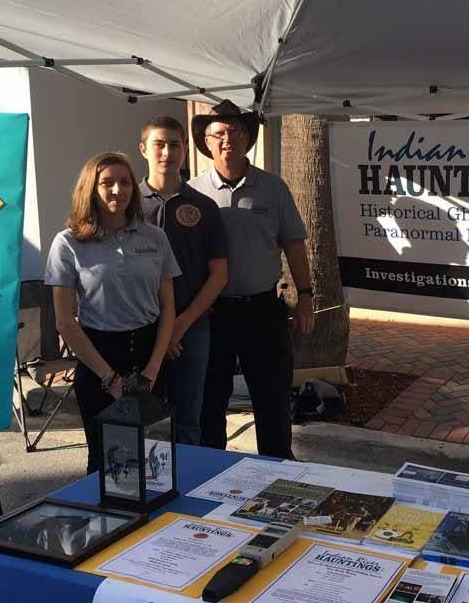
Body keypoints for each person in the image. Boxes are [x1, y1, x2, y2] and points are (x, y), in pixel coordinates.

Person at [189, 100, 315, 459]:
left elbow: (293, 244)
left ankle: (277, 471)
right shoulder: (193, 194)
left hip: (262, 310)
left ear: (248, 138)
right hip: (210, 313)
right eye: (220, 133)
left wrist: (305, 296)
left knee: (272, 396)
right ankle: (208, 467)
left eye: (236, 131)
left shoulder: (273, 189)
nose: (228, 139)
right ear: (208, 141)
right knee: (210, 398)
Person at [45, 152, 180, 474]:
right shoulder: (68, 243)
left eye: (124, 182)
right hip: (98, 359)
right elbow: (65, 321)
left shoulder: (155, 237)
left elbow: (168, 308)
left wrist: (153, 369)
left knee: (154, 461)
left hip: (151, 356)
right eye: (107, 183)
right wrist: (109, 379)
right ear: (90, 188)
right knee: (106, 462)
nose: (117, 190)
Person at [138, 116, 228, 445]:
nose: (167, 152)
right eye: (159, 144)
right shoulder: (127, 206)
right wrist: (162, 328)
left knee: (189, 419)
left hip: (192, 328)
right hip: (141, 327)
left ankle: (187, 489)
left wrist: (181, 324)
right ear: (143, 149)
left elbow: (219, 274)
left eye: (174, 144)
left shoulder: (203, 207)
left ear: (186, 150)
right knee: (141, 418)